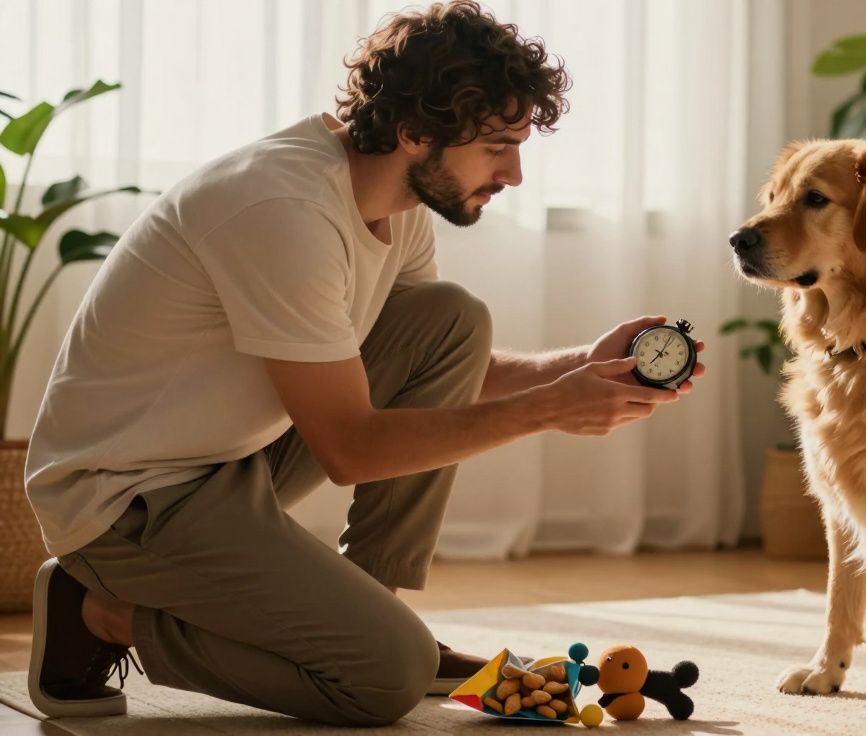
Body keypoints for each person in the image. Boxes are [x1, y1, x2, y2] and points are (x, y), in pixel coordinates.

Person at [24, 1, 703, 726]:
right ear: (414, 131)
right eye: (497, 144)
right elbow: (349, 446)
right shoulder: (282, 207)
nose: (515, 172)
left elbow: (432, 366)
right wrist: (544, 411)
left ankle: (372, 609)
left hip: (221, 467)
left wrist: (577, 369)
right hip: (122, 503)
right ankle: (99, 613)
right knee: (384, 682)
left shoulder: (395, 197)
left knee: (450, 318)